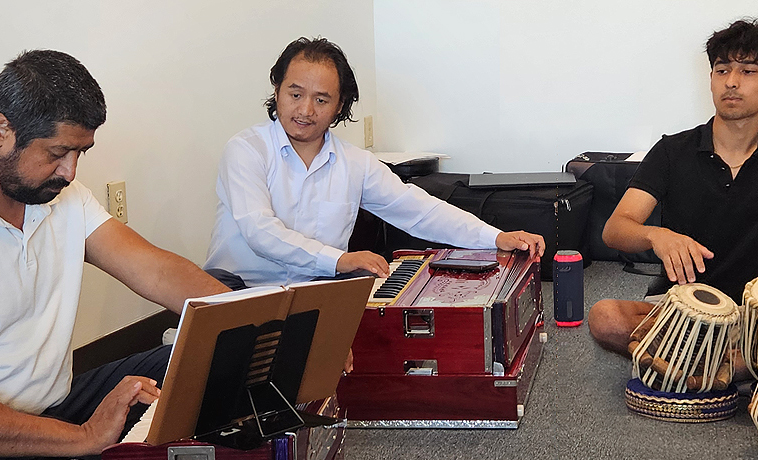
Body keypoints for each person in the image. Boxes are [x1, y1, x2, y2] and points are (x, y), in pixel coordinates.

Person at [0, 50, 230, 460]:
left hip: (56, 405)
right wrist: (86, 437)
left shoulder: (60, 195)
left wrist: (261, 320)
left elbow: (155, 269)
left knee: (220, 354)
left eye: (80, 153)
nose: (71, 171)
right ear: (1, 131)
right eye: (58, 153)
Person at [204, 37, 544, 289]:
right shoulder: (245, 150)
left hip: (316, 289)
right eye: (295, 94)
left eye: (321, 99)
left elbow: (420, 210)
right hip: (238, 288)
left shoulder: (355, 163)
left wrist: (495, 237)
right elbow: (259, 232)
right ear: (277, 90)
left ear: (339, 106)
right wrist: (340, 259)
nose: (306, 110)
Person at [588, 19, 758, 357]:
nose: (731, 82)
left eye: (748, 72)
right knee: (605, 317)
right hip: (680, 306)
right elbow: (616, 229)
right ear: (711, 79)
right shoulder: (671, 151)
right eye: (722, 71)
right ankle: (729, 363)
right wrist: (656, 236)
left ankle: (688, 361)